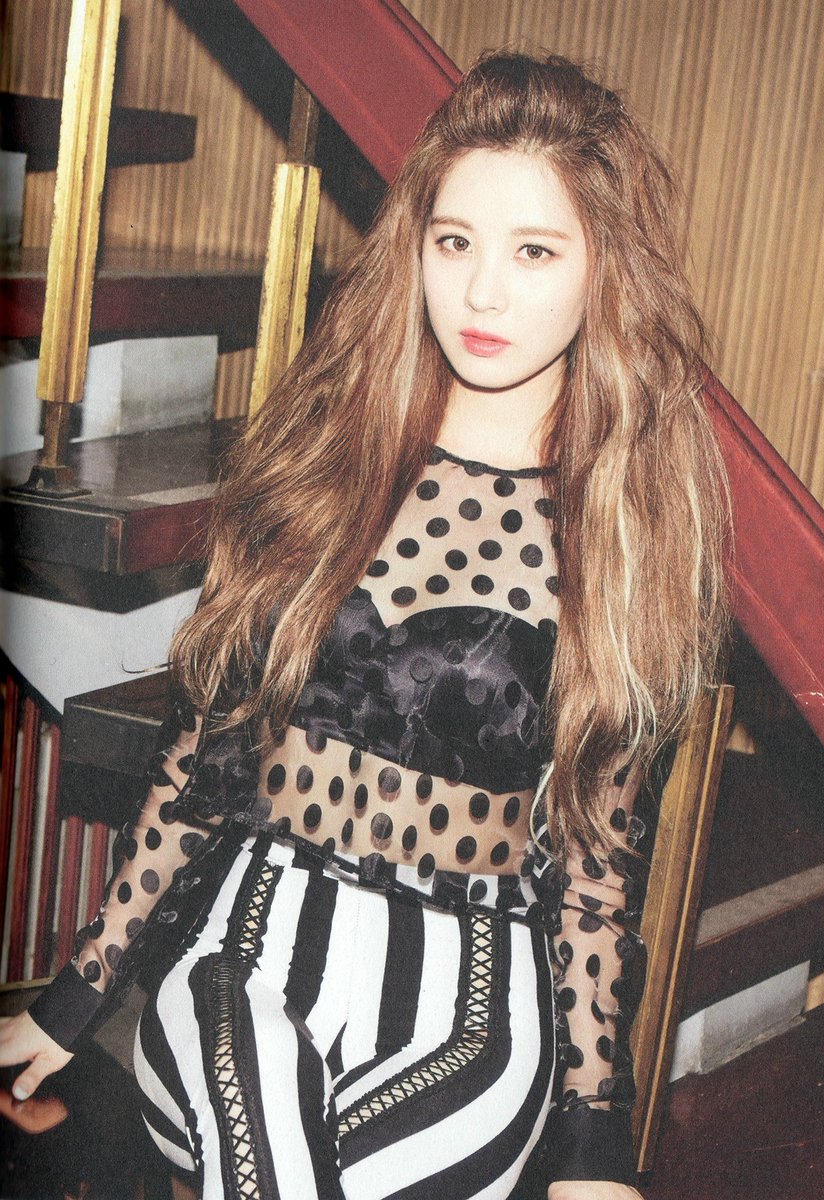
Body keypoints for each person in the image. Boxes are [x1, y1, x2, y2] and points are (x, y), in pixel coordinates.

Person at [0, 51, 729, 1200]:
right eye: (455, 242)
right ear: (414, 247)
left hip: (470, 1006)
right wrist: (76, 996)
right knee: (253, 1090)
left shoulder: (623, 527)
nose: (480, 293)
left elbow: (594, 868)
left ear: (605, 268)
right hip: (244, 954)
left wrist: (595, 1140)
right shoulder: (322, 458)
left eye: (534, 252)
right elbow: (201, 761)